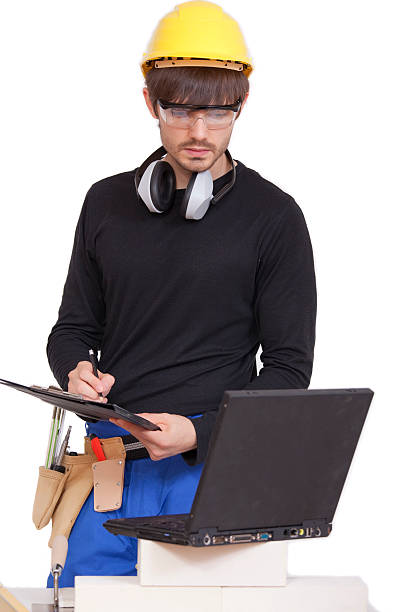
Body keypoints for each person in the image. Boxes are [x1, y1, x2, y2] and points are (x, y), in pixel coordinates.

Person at [46, 0, 317, 587]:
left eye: (219, 114)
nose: (199, 133)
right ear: (150, 102)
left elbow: (290, 371)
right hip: (110, 466)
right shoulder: (105, 203)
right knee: (79, 601)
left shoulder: (274, 217)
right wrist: (74, 368)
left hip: (214, 469)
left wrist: (203, 431)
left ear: (242, 105)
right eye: (180, 111)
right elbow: (73, 327)